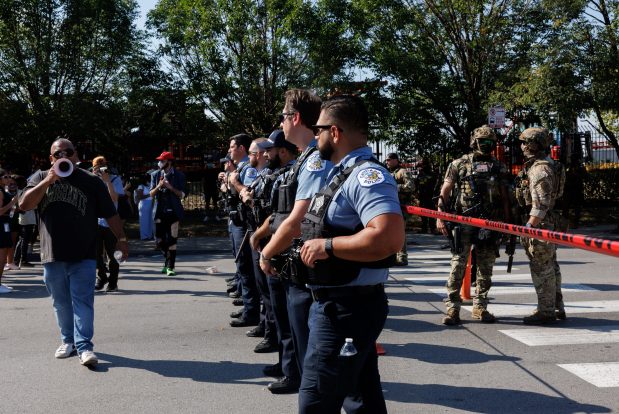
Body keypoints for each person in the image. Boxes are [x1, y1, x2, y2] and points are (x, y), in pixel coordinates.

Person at [296, 94, 404, 413]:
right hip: (342, 306)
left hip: (347, 310)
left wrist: (326, 246)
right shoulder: (342, 173)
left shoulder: (366, 176)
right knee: (361, 400)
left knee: (316, 401)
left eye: (319, 130)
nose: (315, 136)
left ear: (336, 132)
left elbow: (388, 237)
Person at [19, 138, 128, 366]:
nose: (64, 156)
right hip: (52, 255)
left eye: (68, 152)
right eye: (58, 153)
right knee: (61, 302)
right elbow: (24, 205)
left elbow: (110, 213)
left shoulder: (91, 181)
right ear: (51, 158)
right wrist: (48, 181)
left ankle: (85, 347)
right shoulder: (40, 177)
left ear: (76, 155)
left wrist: (122, 238)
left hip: (84, 253)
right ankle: (67, 340)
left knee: (83, 301)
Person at [252, 88, 330, 394]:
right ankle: (299, 375)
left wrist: (267, 253)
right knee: (295, 330)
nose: (282, 124)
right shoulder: (306, 158)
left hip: (306, 263)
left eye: (284, 117)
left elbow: (298, 220)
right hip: (299, 260)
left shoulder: (313, 161)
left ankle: (306, 383)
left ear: (295, 117)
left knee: (308, 339)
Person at [436, 125, 511, 325]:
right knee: (458, 264)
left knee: (486, 267)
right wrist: (440, 216)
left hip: (490, 223)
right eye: (482, 142)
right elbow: (445, 191)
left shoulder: (499, 166)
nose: (486, 146)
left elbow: (505, 197)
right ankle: (453, 308)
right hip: (464, 221)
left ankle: (480, 307)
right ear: (474, 142)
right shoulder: (459, 164)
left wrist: (506, 223)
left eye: (490, 142)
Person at [515, 127, 566, 325]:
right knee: (551, 266)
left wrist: (529, 227)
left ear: (532, 145)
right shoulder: (547, 165)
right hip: (547, 222)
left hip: (540, 224)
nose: (521, 147)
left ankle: (546, 311)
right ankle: (556, 306)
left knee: (542, 267)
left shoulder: (540, 169)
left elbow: (541, 204)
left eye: (524, 142)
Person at [225, 134, 260, 327]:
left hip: (245, 224)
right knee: (243, 265)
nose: (229, 151)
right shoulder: (240, 168)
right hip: (238, 221)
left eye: (232, 147)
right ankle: (249, 307)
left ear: (241, 148)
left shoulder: (248, 169)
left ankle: (252, 311)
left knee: (246, 267)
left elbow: (249, 194)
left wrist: (235, 183)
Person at [92, 156, 125, 292]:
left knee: (113, 255)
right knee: (95, 254)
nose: (100, 169)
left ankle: (113, 282)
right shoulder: (92, 180)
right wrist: (95, 177)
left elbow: (114, 198)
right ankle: (102, 277)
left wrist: (107, 182)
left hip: (111, 223)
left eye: (102, 166)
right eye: (97, 167)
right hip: (96, 222)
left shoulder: (115, 179)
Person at [150, 151, 186, 276]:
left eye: (162, 161)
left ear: (169, 162)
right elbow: (151, 194)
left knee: (172, 241)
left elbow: (182, 194)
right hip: (159, 212)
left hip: (174, 212)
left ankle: (171, 267)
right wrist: (159, 186)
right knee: (159, 240)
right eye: (159, 160)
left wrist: (170, 187)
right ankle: (167, 261)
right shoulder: (155, 175)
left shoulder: (179, 175)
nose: (159, 163)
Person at [385, 152, 414, 265]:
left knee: (399, 231)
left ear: (396, 160)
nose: (387, 162)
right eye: (387, 160)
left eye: (389, 159)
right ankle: (393, 256)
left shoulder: (402, 172)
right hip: (392, 205)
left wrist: (396, 187)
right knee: (391, 232)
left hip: (402, 207)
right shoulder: (388, 173)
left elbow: (411, 186)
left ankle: (402, 257)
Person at [0, 169, 18, 293]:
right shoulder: (0, 192)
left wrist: (13, 206)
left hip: (5, 223)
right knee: (1, 256)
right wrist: (12, 202)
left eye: (9, 176)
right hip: (1, 225)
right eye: (5, 177)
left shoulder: (3, 190)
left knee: (4, 253)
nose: (9, 179)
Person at [415, 156, 438, 234]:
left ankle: (433, 228)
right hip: (422, 196)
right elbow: (416, 184)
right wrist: (416, 193)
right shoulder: (420, 174)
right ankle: (424, 228)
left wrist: (436, 195)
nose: (421, 166)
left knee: (431, 212)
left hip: (431, 196)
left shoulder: (433, 174)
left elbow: (436, 186)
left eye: (422, 164)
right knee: (422, 212)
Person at [134, 172, 154, 240]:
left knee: (150, 221)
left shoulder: (149, 185)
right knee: (144, 221)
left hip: (150, 204)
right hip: (144, 204)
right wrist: (150, 195)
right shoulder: (141, 186)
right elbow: (140, 197)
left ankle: (150, 235)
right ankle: (144, 236)